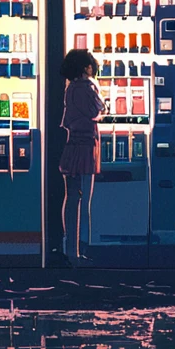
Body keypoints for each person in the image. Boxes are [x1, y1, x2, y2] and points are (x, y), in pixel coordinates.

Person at [58, 48, 104, 266]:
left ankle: (71, 248)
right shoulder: (86, 88)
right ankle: (78, 251)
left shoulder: (70, 88)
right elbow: (99, 109)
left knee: (71, 198)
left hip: (72, 144)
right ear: (86, 67)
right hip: (86, 147)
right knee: (82, 199)